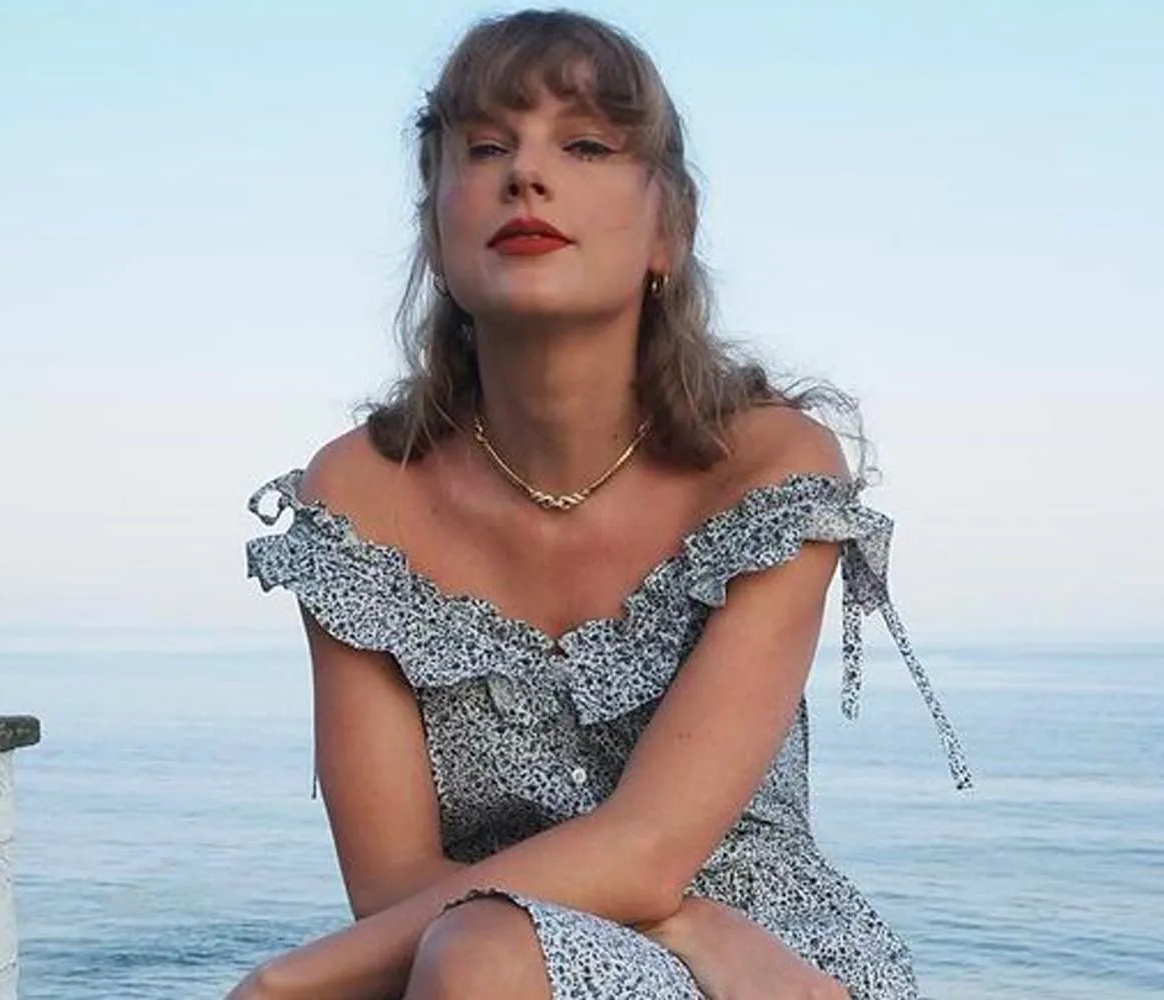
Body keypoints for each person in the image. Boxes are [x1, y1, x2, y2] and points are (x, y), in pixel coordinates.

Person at [234, 9, 972, 999]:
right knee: (479, 947)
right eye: (484, 147)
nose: (525, 174)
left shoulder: (767, 465)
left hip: (768, 964)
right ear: (435, 227)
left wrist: (283, 983)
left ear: (672, 227)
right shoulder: (360, 496)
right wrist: (674, 912)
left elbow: (653, 840)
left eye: (584, 145)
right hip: (498, 950)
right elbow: (390, 882)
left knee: (476, 953)